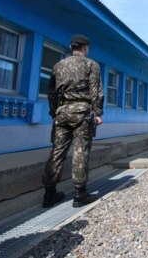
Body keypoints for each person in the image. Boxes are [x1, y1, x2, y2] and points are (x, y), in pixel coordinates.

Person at [42, 34, 103, 209]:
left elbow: (51, 92)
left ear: (72, 47)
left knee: (57, 151)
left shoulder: (58, 66)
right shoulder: (91, 65)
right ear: (85, 47)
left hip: (61, 113)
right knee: (80, 151)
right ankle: (79, 194)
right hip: (82, 113)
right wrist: (97, 112)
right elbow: (96, 92)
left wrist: (54, 113)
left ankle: (49, 194)